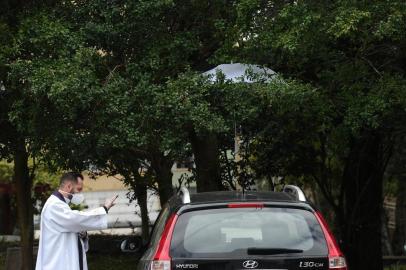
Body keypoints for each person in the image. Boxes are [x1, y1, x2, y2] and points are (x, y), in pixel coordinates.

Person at [35, 172, 118, 270]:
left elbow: (72, 225)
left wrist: (82, 233)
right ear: (69, 186)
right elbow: (76, 219)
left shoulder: (60, 205)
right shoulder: (54, 205)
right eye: (79, 189)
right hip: (57, 263)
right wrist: (104, 208)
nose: (80, 193)